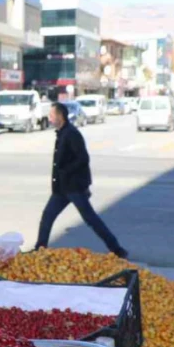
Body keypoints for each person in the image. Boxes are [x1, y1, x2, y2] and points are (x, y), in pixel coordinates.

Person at [35, 102, 128, 258]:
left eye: (51, 115)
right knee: (48, 216)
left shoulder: (71, 134)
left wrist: (66, 172)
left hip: (74, 187)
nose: (49, 118)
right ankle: (40, 249)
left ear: (60, 116)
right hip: (61, 189)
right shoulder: (61, 133)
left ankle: (117, 249)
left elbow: (83, 158)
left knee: (91, 219)